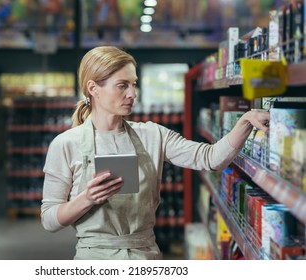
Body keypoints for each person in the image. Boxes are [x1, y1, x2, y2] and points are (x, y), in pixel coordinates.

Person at [40, 46, 270, 260]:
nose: (132, 94)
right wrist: (86, 199)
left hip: (145, 255)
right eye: (122, 85)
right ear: (93, 89)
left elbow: (210, 158)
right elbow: (49, 219)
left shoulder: (152, 135)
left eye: (133, 84)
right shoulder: (66, 144)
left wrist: (245, 122)